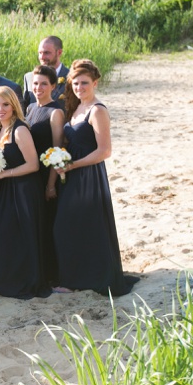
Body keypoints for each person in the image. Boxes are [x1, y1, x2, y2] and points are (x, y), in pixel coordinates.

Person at [53, 60, 137, 296]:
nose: (80, 87)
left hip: (88, 175)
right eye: (76, 83)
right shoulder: (78, 107)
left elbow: (104, 151)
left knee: (78, 226)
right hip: (71, 173)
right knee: (70, 226)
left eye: (84, 83)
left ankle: (77, 280)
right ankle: (76, 277)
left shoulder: (97, 110)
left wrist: (73, 165)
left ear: (95, 83)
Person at [0, 87, 49, 299]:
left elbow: (33, 165)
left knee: (18, 235)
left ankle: (23, 280)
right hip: (8, 189)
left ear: (14, 105)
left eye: (5, 105)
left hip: (24, 190)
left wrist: (2, 174)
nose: (0, 109)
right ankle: (4, 277)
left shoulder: (19, 130)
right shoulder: (2, 129)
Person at [25, 65, 66, 286]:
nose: (38, 87)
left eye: (43, 83)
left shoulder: (55, 112)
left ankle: (52, 274)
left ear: (53, 86)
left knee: (49, 223)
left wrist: (51, 184)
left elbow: (57, 150)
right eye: (35, 83)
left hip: (46, 175)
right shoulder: (30, 107)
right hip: (30, 174)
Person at [23, 36, 70, 109]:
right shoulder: (29, 77)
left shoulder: (71, 78)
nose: (42, 57)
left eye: (46, 53)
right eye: (40, 53)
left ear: (59, 52)